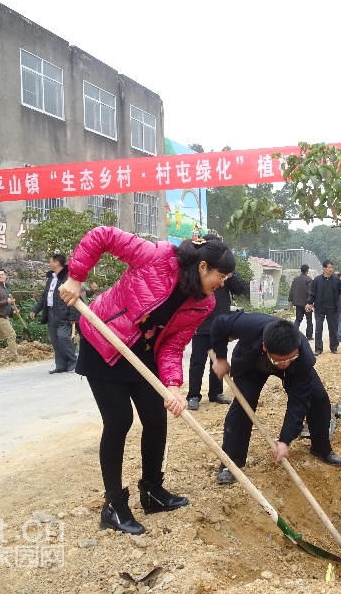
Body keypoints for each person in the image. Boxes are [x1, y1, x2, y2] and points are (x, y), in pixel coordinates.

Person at [58, 229, 235, 536]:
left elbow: (173, 345)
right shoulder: (157, 257)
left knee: (156, 418)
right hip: (104, 341)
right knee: (119, 421)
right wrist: (76, 277)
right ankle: (113, 505)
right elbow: (102, 236)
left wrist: (173, 385)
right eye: (220, 276)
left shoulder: (203, 303)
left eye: (226, 279)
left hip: (143, 352)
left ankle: (152, 491)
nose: (221, 285)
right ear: (203, 267)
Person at [209, 313, 341, 485]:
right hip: (252, 364)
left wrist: (284, 440)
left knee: (318, 398)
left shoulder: (302, 358)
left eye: (290, 358)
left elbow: (298, 402)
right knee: (244, 403)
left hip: (295, 370)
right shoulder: (249, 325)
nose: (286, 362)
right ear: (265, 347)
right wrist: (220, 358)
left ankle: (321, 447)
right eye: (282, 360)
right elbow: (219, 323)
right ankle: (231, 463)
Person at [186, 271, 249, 410]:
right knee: (197, 362)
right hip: (201, 324)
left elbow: (240, 289)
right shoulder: (202, 271)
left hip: (220, 325)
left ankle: (216, 393)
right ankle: (193, 395)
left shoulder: (226, 273)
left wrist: (231, 274)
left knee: (219, 360)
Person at [30, 254, 80, 374]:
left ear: (57, 263)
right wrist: (35, 309)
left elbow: (74, 296)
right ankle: (60, 365)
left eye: (50, 262)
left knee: (63, 338)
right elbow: (45, 297)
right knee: (55, 340)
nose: (49, 264)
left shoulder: (68, 278)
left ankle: (73, 361)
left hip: (64, 312)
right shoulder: (51, 279)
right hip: (51, 312)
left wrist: (73, 315)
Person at [305, 260, 341, 355]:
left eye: (332, 267)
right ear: (324, 268)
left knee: (333, 329)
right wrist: (309, 302)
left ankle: (334, 347)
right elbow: (313, 293)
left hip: (332, 308)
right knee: (318, 329)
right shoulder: (317, 280)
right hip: (320, 308)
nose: (331, 269)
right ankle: (318, 349)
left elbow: (340, 292)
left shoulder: (336, 279)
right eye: (329, 267)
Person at [288, 264, 313, 341]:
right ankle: (309, 336)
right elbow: (310, 292)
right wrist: (311, 302)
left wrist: (290, 300)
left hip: (298, 303)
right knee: (309, 320)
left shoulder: (295, 279)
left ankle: (292, 334)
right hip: (307, 304)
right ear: (307, 271)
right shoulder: (309, 279)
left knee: (298, 319)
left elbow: (291, 290)